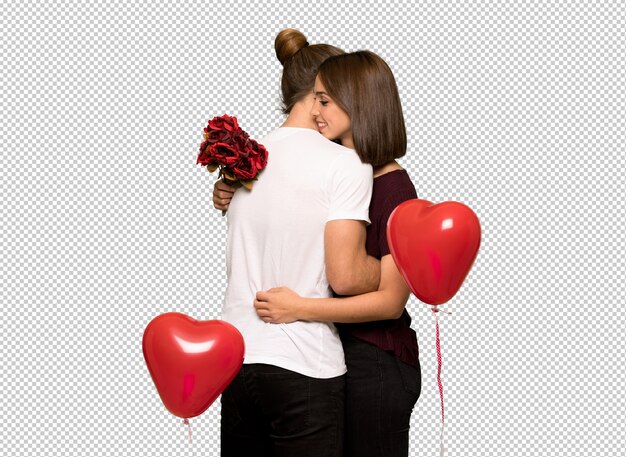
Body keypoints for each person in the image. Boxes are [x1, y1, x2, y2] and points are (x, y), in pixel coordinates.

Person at [221, 50, 421, 457]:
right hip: (335, 355)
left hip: (377, 360)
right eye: (317, 98)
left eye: (326, 100)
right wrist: (228, 191)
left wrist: (300, 307)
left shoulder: (390, 184)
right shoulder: (339, 167)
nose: (317, 111)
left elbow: (383, 296)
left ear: (358, 101)